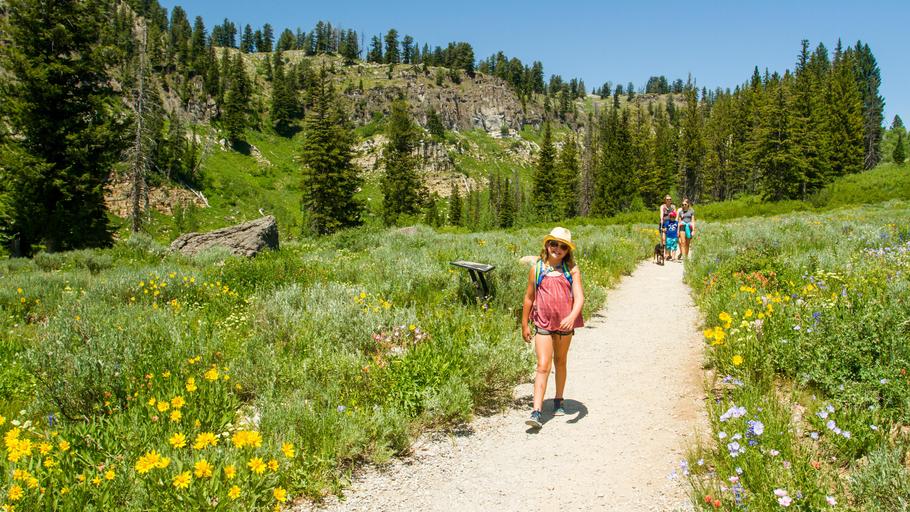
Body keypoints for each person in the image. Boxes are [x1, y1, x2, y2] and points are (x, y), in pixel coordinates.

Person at [521, 227, 584, 429]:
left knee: (560, 361)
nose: (557, 248)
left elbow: (580, 297)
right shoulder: (537, 269)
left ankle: (558, 400)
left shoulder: (572, 270)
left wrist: (573, 316)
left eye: (562, 246)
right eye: (553, 244)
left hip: (565, 325)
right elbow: (529, 297)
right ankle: (537, 411)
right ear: (547, 245)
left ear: (567, 250)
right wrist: (524, 323)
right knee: (543, 365)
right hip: (543, 323)